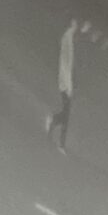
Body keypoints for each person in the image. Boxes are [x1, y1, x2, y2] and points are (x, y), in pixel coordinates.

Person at [46, 19, 74, 148]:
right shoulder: (67, 39)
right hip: (65, 83)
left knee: (66, 114)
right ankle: (61, 144)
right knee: (66, 115)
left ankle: (53, 123)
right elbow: (65, 64)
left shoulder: (69, 38)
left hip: (66, 82)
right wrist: (68, 86)